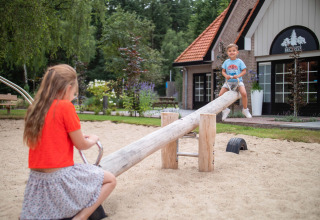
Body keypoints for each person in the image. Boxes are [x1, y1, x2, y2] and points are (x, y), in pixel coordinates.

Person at [20, 64, 116, 220]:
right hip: (59, 177)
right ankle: (81, 217)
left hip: (37, 179)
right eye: (74, 93)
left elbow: (51, 135)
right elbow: (81, 145)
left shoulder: (35, 108)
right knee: (110, 180)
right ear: (68, 87)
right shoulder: (65, 107)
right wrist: (93, 139)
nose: (74, 96)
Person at [219, 43, 252, 120]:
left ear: (237, 52)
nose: (232, 52)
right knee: (220, 95)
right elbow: (223, 71)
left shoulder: (239, 61)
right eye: (230, 51)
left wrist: (238, 76)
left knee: (244, 93)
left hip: (238, 81)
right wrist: (226, 75)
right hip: (228, 82)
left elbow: (244, 71)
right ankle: (225, 109)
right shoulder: (226, 62)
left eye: (234, 50)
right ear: (227, 53)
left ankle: (245, 109)